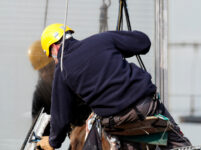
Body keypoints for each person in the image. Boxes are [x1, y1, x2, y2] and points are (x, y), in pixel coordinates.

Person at [37, 23, 191, 150]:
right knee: (179, 146)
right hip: (146, 107)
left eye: (51, 57)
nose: (54, 61)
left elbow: (60, 114)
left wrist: (53, 142)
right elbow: (143, 42)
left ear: (54, 48)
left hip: (116, 121)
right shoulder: (102, 40)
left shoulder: (62, 68)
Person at [28, 40, 55, 135]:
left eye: (49, 67)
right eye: (41, 70)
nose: (45, 74)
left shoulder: (73, 80)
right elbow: (38, 131)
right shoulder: (41, 94)